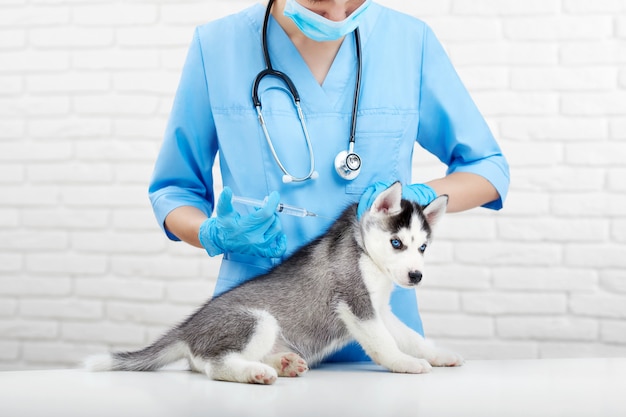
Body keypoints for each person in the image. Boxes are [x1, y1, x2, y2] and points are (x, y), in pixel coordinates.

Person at [148, 0, 510, 362]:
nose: (339, 16)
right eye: (320, 3)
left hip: (382, 342)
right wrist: (212, 233)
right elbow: (175, 189)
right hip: (258, 338)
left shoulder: (409, 42)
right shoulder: (217, 46)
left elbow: (487, 168)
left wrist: (424, 194)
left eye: (353, 1)